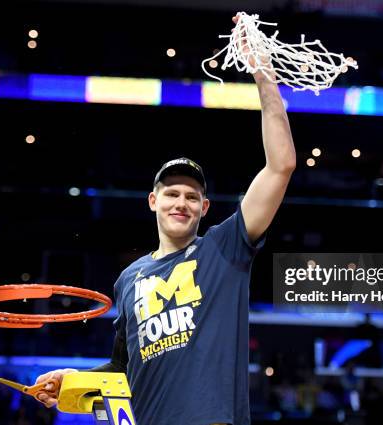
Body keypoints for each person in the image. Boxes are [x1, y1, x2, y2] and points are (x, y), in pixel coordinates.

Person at [33, 13, 296, 425]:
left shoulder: (224, 248)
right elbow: (123, 375)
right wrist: (74, 379)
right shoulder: (128, 280)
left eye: (193, 196)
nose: (182, 202)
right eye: (172, 193)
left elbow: (281, 166)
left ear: (205, 209)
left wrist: (263, 75)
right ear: (153, 201)